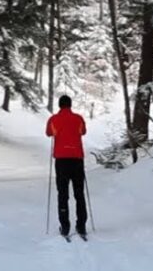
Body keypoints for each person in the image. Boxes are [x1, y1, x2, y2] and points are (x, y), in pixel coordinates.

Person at [46, 94, 87, 237]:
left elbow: (48, 133)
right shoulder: (78, 119)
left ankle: (65, 227)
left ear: (59, 105)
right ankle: (81, 226)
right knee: (79, 193)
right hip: (77, 160)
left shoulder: (53, 119)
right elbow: (83, 132)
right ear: (70, 105)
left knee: (63, 193)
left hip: (61, 161)